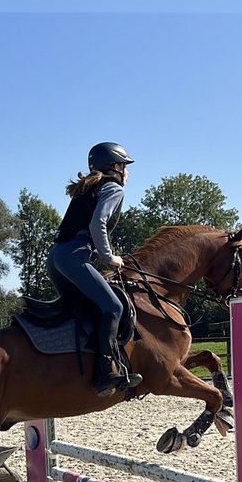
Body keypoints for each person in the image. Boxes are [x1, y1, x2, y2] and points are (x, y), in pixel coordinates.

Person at [48, 141, 144, 396]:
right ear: (115, 166)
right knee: (114, 307)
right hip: (74, 256)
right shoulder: (113, 188)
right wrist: (109, 257)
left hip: (56, 257)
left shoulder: (89, 188)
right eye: (125, 166)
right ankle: (104, 372)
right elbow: (97, 223)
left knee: (85, 307)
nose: (128, 172)